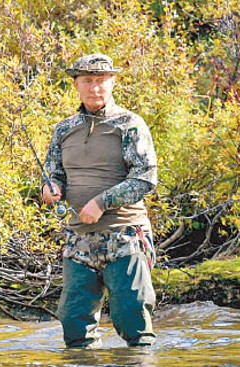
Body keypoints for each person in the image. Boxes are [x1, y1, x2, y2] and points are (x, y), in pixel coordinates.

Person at [41, 53, 158, 348]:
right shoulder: (64, 129)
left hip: (126, 235)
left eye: (101, 81)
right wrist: (49, 189)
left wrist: (101, 202)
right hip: (78, 239)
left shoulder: (130, 124)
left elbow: (145, 178)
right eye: (88, 81)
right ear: (76, 85)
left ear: (113, 83)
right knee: (74, 323)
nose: (95, 88)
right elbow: (53, 174)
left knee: (133, 319)